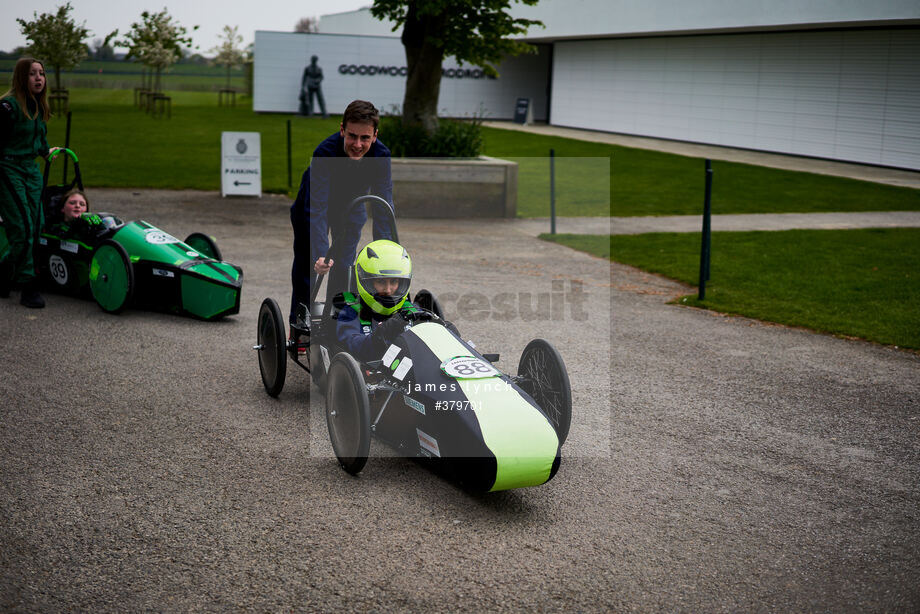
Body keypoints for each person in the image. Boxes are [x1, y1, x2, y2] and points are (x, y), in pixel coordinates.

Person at [289, 99, 394, 324]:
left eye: (365, 138)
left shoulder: (381, 156)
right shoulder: (324, 152)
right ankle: (298, 321)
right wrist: (319, 252)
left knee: (343, 265)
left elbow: (383, 206)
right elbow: (316, 208)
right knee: (309, 264)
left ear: (375, 135)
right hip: (312, 206)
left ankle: (335, 320)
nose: (357, 144)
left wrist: (386, 252)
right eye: (352, 136)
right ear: (342, 130)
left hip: (351, 208)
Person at [0, 57, 59, 307]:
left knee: (36, 226)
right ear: (22, 77)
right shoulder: (8, 107)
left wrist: (46, 151)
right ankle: (28, 285)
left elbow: (40, 139)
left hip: (30, 170)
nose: (39, 78)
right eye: (32, 74)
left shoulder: (38, 106)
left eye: (42, 73)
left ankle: (4, 273)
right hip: (8, 168)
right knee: (22, 228)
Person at [336, 239, 419, 362]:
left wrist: (444, 328)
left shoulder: (409, 308)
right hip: (373, 375)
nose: (388, 290)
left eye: (394, 282)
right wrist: (383, 332)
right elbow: (353, 345)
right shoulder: (350, 312)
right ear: (366, 281)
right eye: (380, 282)